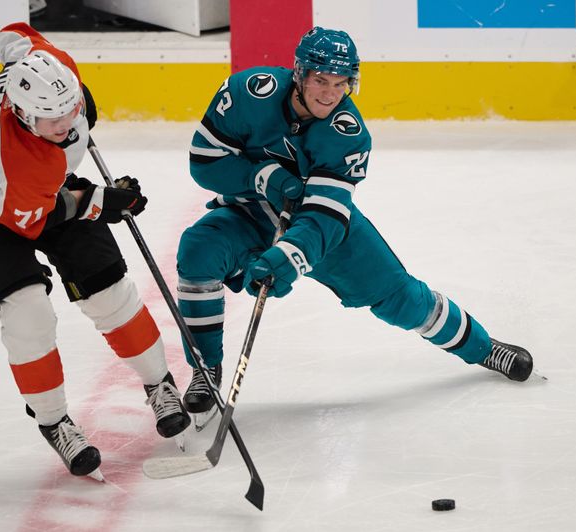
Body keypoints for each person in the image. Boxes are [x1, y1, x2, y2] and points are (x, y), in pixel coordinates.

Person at [176, 26, 534, 428]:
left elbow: (326, 218)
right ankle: (205, 371)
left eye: (341, 83)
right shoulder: (248, 93)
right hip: (249, 213)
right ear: (300, 74)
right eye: (321, 81)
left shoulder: (348, 132)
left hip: (321, 228)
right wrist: (264, 177)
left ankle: (483, 348)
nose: (331, 93)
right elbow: (204, 162)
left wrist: (288, 256)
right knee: (198, 248)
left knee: (403, 299)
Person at [0, 22, 190, 480]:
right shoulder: (15, 168)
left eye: (72, 106)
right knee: (28, 312)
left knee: (107, 287)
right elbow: (38, 218)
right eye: (56, 120)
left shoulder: (47, 69)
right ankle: (54, 421)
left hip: (33, 187)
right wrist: (100, 201)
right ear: (26, 118)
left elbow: (12, 33)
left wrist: (73, 105)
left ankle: (159, 383)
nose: (70, 122)